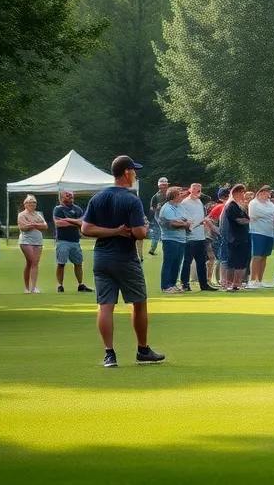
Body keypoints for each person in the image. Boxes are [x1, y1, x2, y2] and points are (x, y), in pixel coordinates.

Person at [81, 155, 164, 368]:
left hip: (102, 258)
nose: (136, 175)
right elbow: (138, 233)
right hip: (125, 259)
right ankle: (142, 350)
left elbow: (86, 228)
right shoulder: (131, 200)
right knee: (139, 303)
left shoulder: (97, 198)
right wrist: (139, 228)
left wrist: (110, 231)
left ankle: (110, 354)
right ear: (126, 173)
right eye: (134, 171)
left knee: (105, 306)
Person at [51, 190, 91, 293]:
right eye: (67, 195)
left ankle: (80, 284)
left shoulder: (77, 209)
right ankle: (60, 285)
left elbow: (82, 223)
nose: (70, 196)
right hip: (62, 240)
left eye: (71, 195)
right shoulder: (58, 209)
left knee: (78, 263)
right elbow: (58, 224)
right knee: (61, 263)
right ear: (62, 198)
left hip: (75, 240)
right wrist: (75, 222)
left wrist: (67, 220)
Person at [179, 182, 215, 292]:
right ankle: (185, 283)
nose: (197, 192)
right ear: (190, 190)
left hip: (200, 236)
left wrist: (204, 221)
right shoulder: (185, 203)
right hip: (190, 236)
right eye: (194, 189)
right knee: (187, 260)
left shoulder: (199, 201)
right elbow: (184, 218)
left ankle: (203, 284)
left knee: (201, 261)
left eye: (199, 190)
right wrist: (198, 222)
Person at [159, 186, 191, 293]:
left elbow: (183, 218)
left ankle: (172, 284)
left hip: (181, 239)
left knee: (177, 263)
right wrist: (185, 224)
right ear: (173, 197)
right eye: (179, 195)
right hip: (170, 239)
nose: (181, 197)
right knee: (169, 262)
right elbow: (173, 223)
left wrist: (185, 222)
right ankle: (165, 286)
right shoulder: (167, 208)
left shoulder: (179, 206)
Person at [247, 185, 274, 288]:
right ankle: (252, 280)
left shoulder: (270, 204)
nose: (265, 195)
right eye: (263, 192)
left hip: (269, 233)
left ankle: (260, 280)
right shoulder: (253, 203)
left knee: (264, 256)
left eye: (267, 193)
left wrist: (268, 215)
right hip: (257, 232)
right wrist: (268, 215)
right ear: (259, 193)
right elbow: (256, 214)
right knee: (257, 256)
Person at [222, 184, 251, 291]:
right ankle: (229, 283)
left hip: (243, 237)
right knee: (232, 261)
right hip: (234, 237)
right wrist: (250, 220)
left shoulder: (240, 206)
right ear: (236, 193)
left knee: (241, 261)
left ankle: (237, 283)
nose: (243, 194)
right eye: (241, 192)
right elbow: (238, 220)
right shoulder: (231, 205)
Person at [17, 194, 47, 294]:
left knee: (32, 262)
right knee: (33, 260)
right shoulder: (22, 214)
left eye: (34, 202)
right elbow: (23, 227)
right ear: (25, 204)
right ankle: (31, 287)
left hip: (37, 241)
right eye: (30, 202)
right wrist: (35, 225)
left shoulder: (38, 214)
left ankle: (31, 287)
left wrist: (33, 224)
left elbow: (45, 226)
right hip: (26, 240)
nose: (33, 204)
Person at [207, 187, 229, 287]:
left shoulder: (223, 206)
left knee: (221, 258)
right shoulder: (221, 207)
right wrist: (216, 231)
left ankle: (219, 279)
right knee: (220, 258)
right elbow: (208, 220)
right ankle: (218, 279)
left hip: (220, 235)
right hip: (217, 237)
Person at [147, 176, 168, 256]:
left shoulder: (169, 194)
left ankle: (164, 251)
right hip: (158, 217)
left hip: (167, 217)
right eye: (162, 185)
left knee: (163, 234)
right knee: (158, 234)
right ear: (159, 186)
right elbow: (152, 208)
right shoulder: (156, 196)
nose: (164, 187)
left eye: (165, 185)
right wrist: (159, 210)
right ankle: (152, 250)